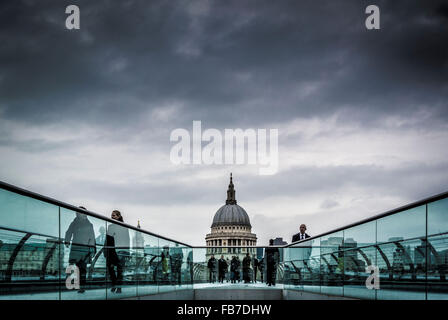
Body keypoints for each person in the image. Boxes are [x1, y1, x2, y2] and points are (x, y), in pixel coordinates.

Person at [64, 206, 96, 293]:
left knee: (82, 268)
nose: (78, 213)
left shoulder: (89, 225)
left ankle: (81, 286)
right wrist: (67, 241)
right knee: (77, 268)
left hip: (85, 250)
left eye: (81, 212)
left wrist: (92, 250)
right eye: (78, 212)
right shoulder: (74, 223)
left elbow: (92, 238)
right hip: (77, 249)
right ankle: (76, 285)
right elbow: (69, 232)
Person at [104, 210, 130, 294]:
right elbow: (107, 239)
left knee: (119, 270)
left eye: (114, 215)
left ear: (119, 216)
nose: (112, 217)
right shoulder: (110, 227)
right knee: (110, 268)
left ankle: (118, 288)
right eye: (111, 215)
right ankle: (115, 284)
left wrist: (127, 251)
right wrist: (105, 250)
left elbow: (127, 239)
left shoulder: (124, 226)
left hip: (121, 250)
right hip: (112, 250)